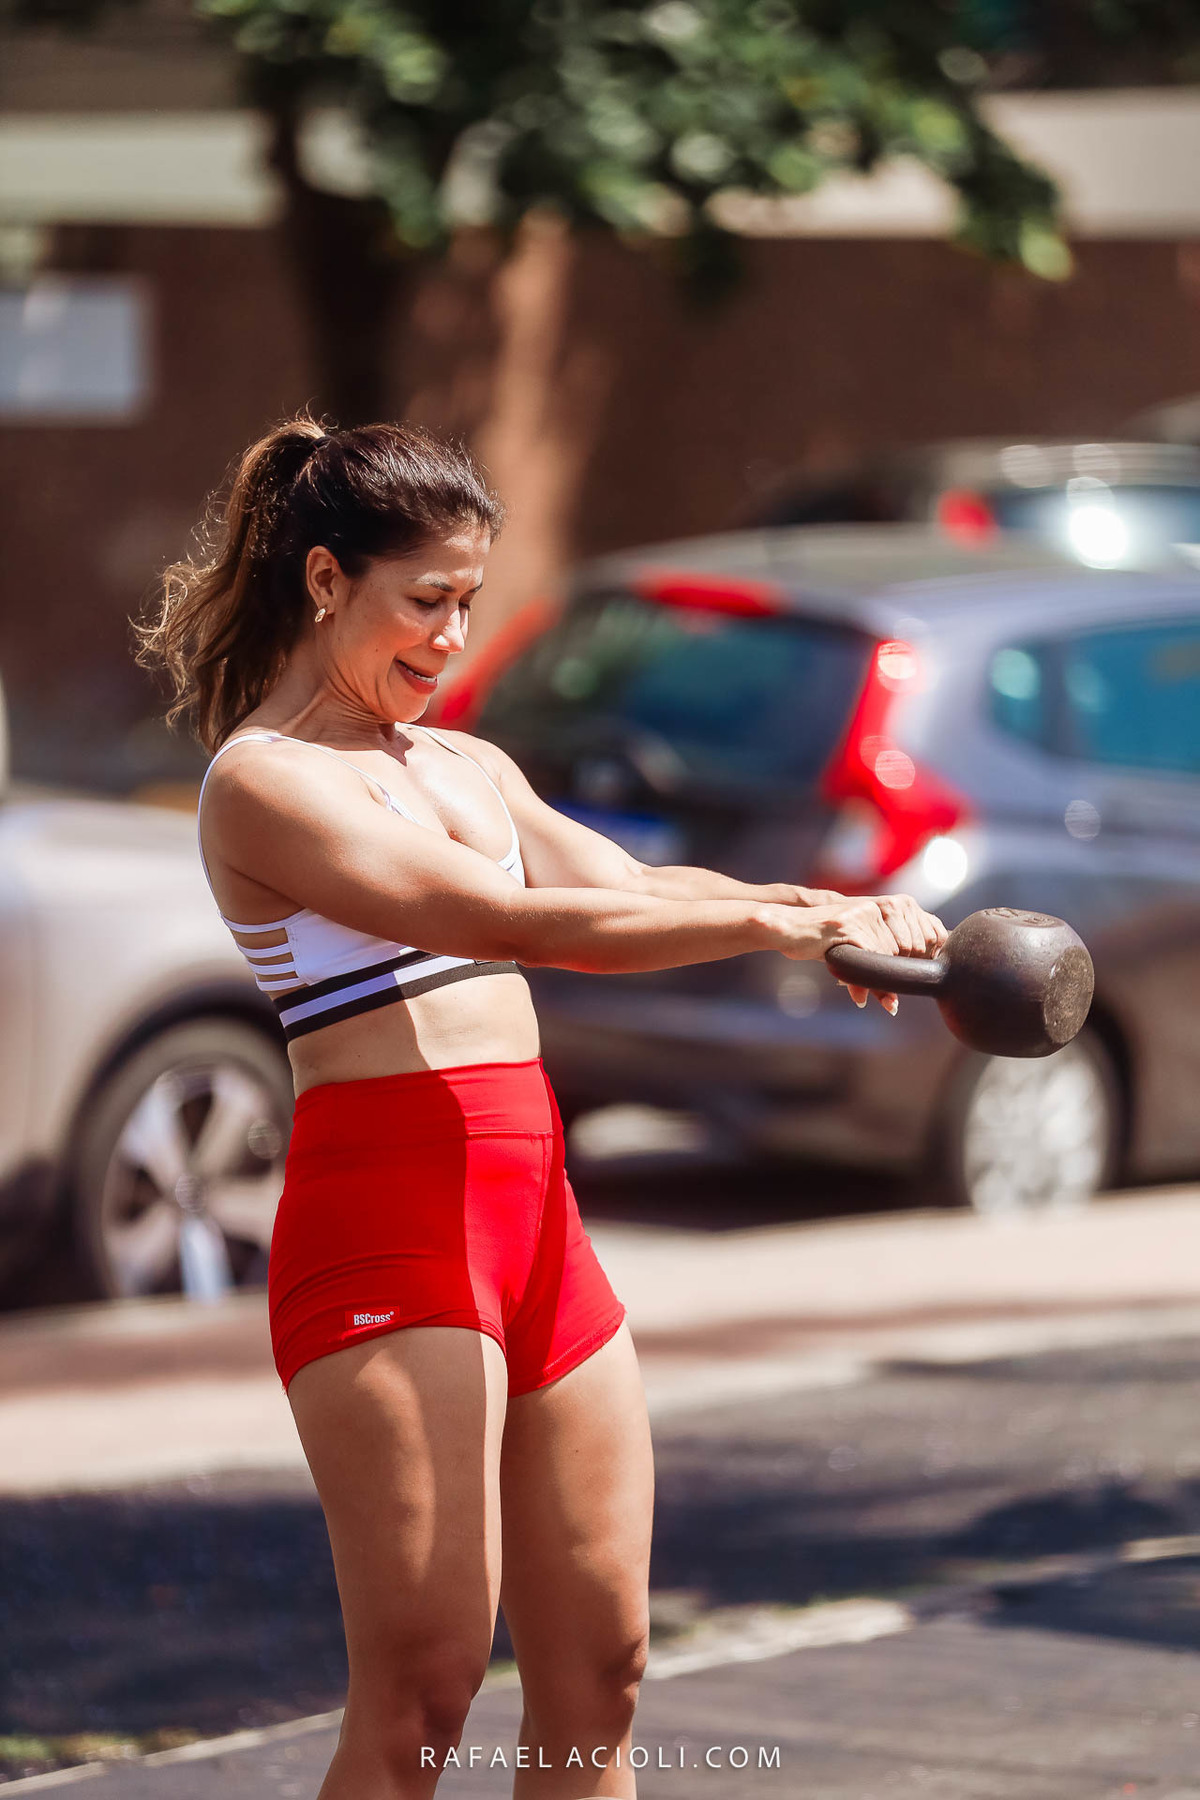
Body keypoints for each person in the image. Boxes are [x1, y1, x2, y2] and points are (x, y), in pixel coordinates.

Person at [135, 412, 947, 1800]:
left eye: (469, 602)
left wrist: (832, 905)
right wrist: (780, 924)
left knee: (602, 1674)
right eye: (425, 601)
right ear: (325, 579)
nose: (452, 639)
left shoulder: (465, 766)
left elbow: (628, 887)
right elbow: (500, 919)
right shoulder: (264, 783)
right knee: (423, 1698)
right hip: (388, 1228)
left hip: (534, 1224)